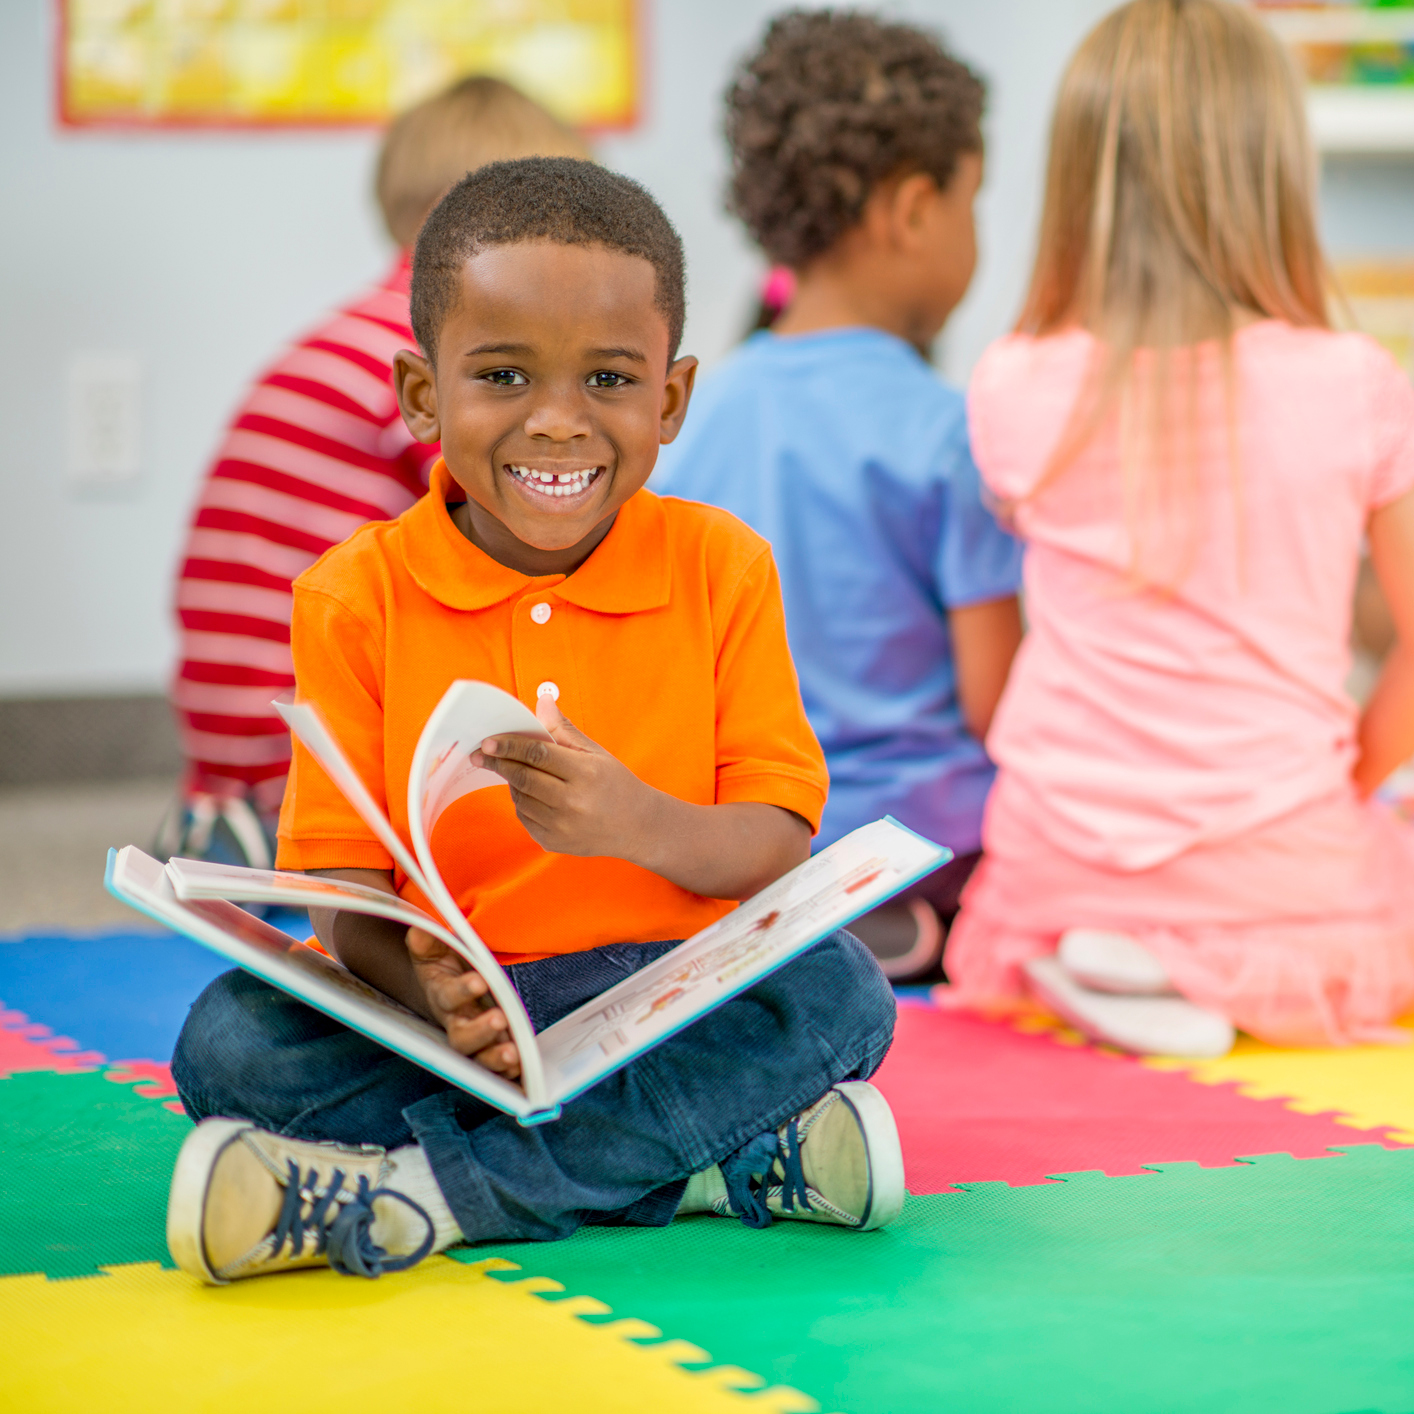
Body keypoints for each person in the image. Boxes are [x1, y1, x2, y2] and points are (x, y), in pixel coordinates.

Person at [164, 158, 904, 1285]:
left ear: (669, 399)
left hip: (665, 997)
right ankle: (709, 1166)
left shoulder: (722, 568)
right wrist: (431, 994)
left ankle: (417, 1198)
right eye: (503, 375)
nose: (558, 424)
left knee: (841, 990)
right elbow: (346, 902)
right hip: (461, 1029)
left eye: (608, 379)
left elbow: (774, 844)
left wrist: (639, 822)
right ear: (423, 397)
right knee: (227, 1040)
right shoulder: (351, 595)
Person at [943, 0, 1414, 1056]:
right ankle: (1188, 967)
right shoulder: (1355, 382)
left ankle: (1135, 961)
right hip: (1274, 856)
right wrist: (1340, 790)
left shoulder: (1011, 383)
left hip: (1051, 861)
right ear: (1273, 171)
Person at [655, 10, 1023, 981]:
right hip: (932, 847)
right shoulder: (951, 429)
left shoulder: (691, 421)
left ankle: (818, 923)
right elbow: (997, 706)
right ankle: (897, 919)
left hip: (755, 846)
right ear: (910, 210)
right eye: (970, 201)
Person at [160, 77, 590, 868]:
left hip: (231, 750)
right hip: (304, 746)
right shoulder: (439, 352)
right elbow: (538, 529)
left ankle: (239, 823)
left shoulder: (354, 331)